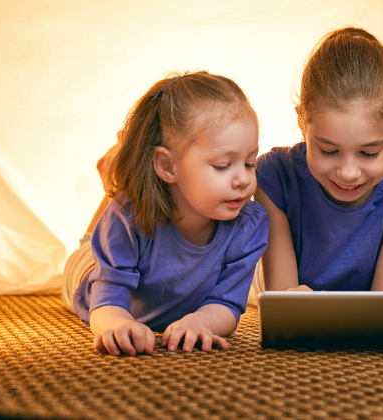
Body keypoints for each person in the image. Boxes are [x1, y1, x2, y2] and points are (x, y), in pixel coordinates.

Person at [254, 27, 383, 352]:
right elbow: (287, 311)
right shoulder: (274, 174)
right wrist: (291, 304)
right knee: (252, 284)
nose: (348, 172)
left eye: (369, 153)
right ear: (302, 121)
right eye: (328, 150)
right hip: (313, 255)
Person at [62, 71, 268, 357]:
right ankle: (120, 174)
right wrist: (118, 323)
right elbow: (107, 298)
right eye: (223, 165)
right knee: (91, 244)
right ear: (168, 166)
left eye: (249, 163)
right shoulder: (128, 216)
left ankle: (126, 165)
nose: (243, 180)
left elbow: (228, 303)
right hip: (90, 272)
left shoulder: (250, 223)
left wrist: (200, 321)